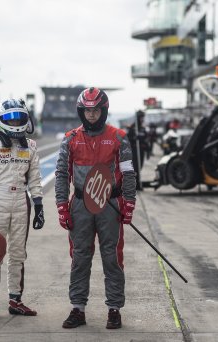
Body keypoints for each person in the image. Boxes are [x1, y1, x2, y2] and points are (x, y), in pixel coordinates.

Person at [55, 87, 137, 330]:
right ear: (82, 111)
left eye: (96, 110)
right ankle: (78, 309)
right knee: (80, 257)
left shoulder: (119, 137)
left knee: (112, 257)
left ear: (104, 110)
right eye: (87, 110)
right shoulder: (70, 138)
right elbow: (61, 174)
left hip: (110, 204)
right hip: (80, 204)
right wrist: (62, 205)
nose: (92, 115)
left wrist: (129, 203)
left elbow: (129, 173)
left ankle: (114, 309)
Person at [0, 98, 45, 320]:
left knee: (18, 254)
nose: (15, 121)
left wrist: (39, 204)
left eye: (19, 117)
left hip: (22, 200)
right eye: (10, 117)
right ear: (0, 119)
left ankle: (15, 300)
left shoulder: (31, 146)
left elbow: (35, 178)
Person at [127, 110, 147, 190]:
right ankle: (136, 183)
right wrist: (134, 138)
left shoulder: (142, 128)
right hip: (135, 150)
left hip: (141, 150)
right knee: (135, 167)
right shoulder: (132, 128)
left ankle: (138, 182)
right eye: (141, 117)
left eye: (143, 117)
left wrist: (146, 144)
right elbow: (128, 139)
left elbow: (146, 137)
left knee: (140, 166)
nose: (142, 119)